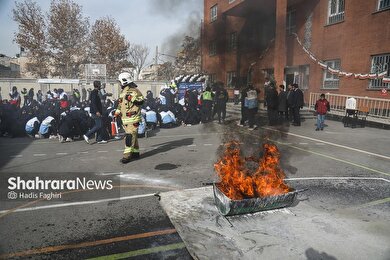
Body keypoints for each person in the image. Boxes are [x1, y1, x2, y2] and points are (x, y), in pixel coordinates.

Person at [115, 72, 144, 164]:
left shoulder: (134, 91)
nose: (119, 84)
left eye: (120, 82)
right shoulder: (123, 92)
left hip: (133, 118)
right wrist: (117, 112)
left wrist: (131, 98)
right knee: (133, 135)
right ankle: (135, 153)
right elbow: (120, 104)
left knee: (129, 136)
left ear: (124, 81)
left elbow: (141, 101)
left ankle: (127, 156)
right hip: (125, 119)